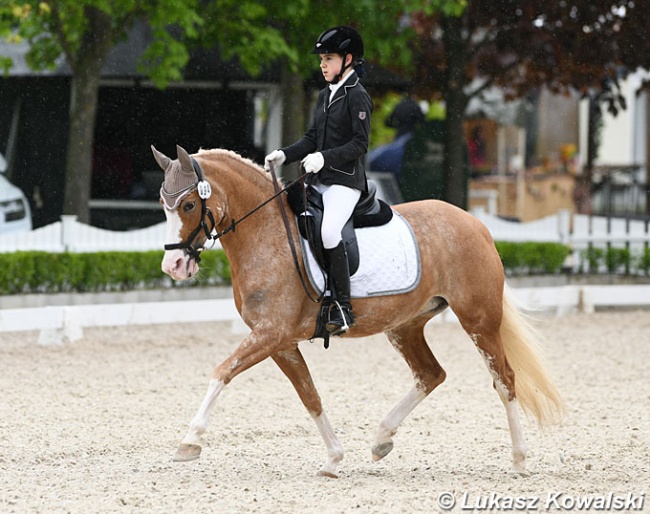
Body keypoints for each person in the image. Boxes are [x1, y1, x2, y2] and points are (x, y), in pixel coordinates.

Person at [264, 25, 372, 336]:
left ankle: (342, 305)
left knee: (327, 232)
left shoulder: (358, 96)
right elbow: (313, 138)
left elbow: (359, 145)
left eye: (328, 58)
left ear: (348, 59)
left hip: (346, 182)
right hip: (320, 179)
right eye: (321, 59)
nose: (322, 64)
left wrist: (325, 158)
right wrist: (285, 154)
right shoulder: (326, 94)